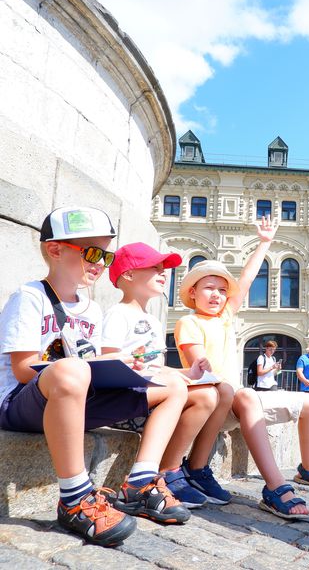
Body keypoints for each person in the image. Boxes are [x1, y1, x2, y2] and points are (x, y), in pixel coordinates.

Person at [0, 207, 190, 547]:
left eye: (106, 254)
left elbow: (93, 362)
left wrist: (122, 365)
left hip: (76, 398)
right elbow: (22, 368)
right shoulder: (30, 297)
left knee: (173, 384)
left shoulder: (91, 309)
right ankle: (74, 497)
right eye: (91, 252)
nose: (100, 263)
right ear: (56, 250)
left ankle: (141, 481)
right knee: (71, 370)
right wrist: (76, 368)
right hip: (22, 403)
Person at [175, 217, 309, 521]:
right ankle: (276, 488)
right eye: (209, 288)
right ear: (192, 293)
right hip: (212, 402)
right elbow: (198, 361)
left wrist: (264, 242)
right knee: (246, 395)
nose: (217, 295)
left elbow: (246, 280)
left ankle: (308, 468)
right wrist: (201, 362)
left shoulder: (224, 318)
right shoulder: (188, 322)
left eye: (222, 290)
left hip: (234, 401)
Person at [102, 242, 231, 509]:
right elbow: (108, 361)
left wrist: (187, 372)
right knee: (204, 395)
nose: (164, 273)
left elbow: (155, 367)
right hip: (128, 400)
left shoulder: (153, 320)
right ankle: (167, 471)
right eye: (155, 268)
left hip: (152, 395)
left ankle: (172, 470)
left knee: (209, 393)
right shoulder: (118, 314)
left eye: (164, 269)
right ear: (128, 274)